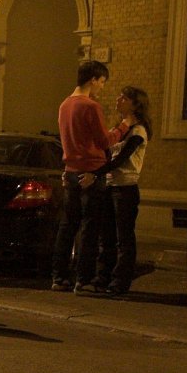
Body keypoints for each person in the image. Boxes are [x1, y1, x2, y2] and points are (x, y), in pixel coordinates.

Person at [50, 60, 130, 294]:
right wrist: (123, 127)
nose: (102, 88)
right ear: (93, 79)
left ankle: (59, 277)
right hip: (92, 173)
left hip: (71, 172)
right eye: (102, 82)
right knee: (89, 228)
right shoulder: (90, 106)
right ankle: (83, 280)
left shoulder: (64, 105)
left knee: (67, 227)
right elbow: (104, 141)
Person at [92, 86, 151, 296]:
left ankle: (120, 282)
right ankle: (102, 277)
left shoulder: (138, 131)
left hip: (125, 189)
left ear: (135, 104)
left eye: (123, 98)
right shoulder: (120, 129)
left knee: (123, 238)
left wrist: (95, 172)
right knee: (105, 235)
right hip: (110, 186)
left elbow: (121, 158)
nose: (118, 100)